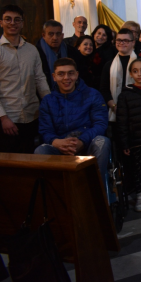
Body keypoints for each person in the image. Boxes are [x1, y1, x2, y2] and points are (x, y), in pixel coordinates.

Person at [35, 58, 109, 192]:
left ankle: (95, 195)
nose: (66, 78)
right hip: (60, 146)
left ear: (76, 74)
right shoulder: (47, 101)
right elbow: (45, 130)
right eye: (61, 74)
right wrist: (55, 141)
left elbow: (100, 124)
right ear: (54, 77)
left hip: (87, 143)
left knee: (103, 142)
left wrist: (82, 141)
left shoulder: (93, 95)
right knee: (40, 150)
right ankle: (55, 198)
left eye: (70, 73)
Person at [0, 5, 51, 153]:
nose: (12, 23)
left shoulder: (31, 50)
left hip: (32, 115)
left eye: (17, 20)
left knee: (31, 160)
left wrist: (49, 104)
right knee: (10, 165)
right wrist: (3, 118)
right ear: (1, 22)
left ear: (22, 23)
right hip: (8, 117)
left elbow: (40, 79)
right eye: (8, 19)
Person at [114, 58, 141, 211]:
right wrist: (125, 143)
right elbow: (122, 121)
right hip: (135, 140)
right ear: (131, 74)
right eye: (135, 71)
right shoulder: (125, 95)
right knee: (137, 169)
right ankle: (139, 196)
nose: (139, 74)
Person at [100, 28, 138, 122]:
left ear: (133, 42)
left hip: (137, 110)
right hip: (115, 111)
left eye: (125, 40)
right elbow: (104, 89)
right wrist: (114, 106)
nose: (122, 43)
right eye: (119, 40)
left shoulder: (140, 63)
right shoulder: (109, 64)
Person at [36, 20, 79, 88]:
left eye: (58, 34)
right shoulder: (36, 53)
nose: (55, 38)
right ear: (44, 35)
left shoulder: (72, 52)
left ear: (62, 35)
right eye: (51, 34)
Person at [90, 25, 118, 89]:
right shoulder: (89, 48)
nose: (100, 36)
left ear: (108, 37)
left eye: (104, 35)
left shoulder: (111, 50)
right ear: (94, 34)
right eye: (99, 33)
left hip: (104, 83)